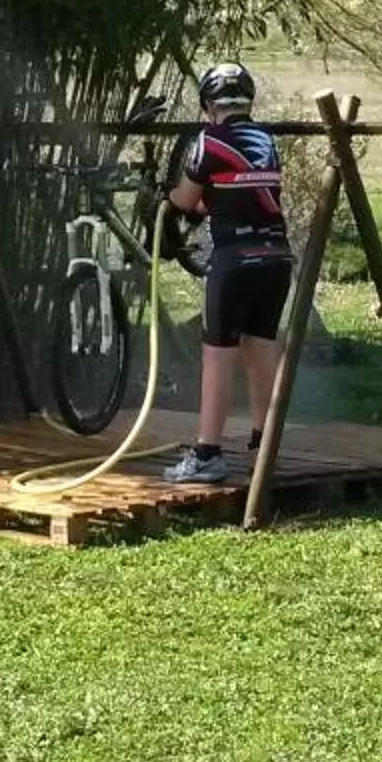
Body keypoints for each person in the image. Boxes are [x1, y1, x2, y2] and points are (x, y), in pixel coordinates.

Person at [161, 63, 292, 486]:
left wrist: (163, 198)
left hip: (233, 261)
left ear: (207, 105)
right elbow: (240, 190)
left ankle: (207, 454)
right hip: (275, 257)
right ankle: (264, 445)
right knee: (262, 352)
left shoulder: (207, 141)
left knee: (218, 356)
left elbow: (185, 199)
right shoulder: (266, 140)